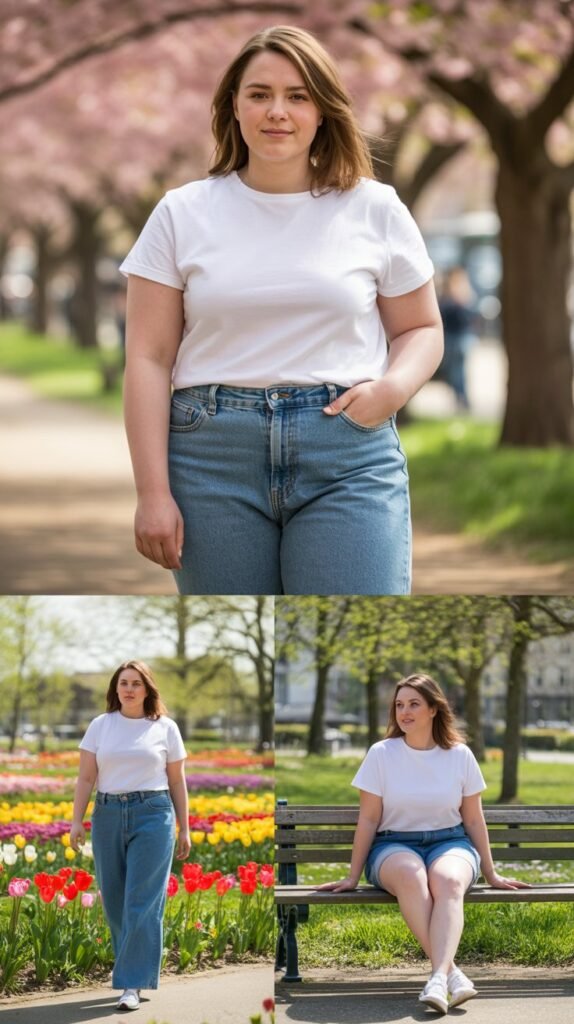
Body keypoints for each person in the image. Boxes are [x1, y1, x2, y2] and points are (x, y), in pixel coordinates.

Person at [120, 25, 443, 596]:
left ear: (323, 111)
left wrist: (391, 392)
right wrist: (152, 493)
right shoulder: (181, 213)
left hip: (347, 450)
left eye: (298, 96)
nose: (278, 112)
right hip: (211, 456)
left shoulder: (375, 208)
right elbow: (148, 358)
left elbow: (420, 328)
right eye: (259, 94)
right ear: (233, 108)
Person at [316, 673, 530, 1014]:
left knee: (447, 880)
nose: (405, 712)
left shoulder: (460, 755)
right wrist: (353, 876)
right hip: (392, 846)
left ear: (434, 709)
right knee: (413, 876)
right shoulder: (381, 754)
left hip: (451, 841)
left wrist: (491, 873)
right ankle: (450, 974)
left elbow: (473, 819)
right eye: (399, 705)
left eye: (414, 704)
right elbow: (369, 819)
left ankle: (437, 978)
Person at [70, 661, 190, 1013]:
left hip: (153, 814)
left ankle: (130, 983)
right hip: (106, 814)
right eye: (123, 683)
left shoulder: (165, 728)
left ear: (147, 689)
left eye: (136, 683)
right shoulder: (100, 726)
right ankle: (136, 969)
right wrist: (76, 820)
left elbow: (177, 782)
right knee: (116, 901)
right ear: (115, 688)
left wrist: (186, 826)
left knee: (142, 900)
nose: (129, 689)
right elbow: (85, 778)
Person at [437, 266, 477, 411]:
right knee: (457, 371)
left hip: (459, 339)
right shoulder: (460, 295)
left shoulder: (459, 296)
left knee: (457, 371)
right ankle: (461, 398)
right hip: (456, 338)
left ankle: (462, 398)